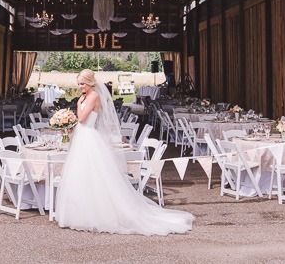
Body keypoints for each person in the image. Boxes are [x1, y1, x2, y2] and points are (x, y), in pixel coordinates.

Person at [54, 69, 194, 235]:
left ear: (91, 82)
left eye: (83, 83)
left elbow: (83, 119)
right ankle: (79, 213)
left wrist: (77, 106)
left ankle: (97, 214)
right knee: (80, 174)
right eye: (79, 84)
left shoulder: (93, 97)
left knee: (94, 175)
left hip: (88, 136)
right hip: (82, 136)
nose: (80, 87)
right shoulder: (86, 97)